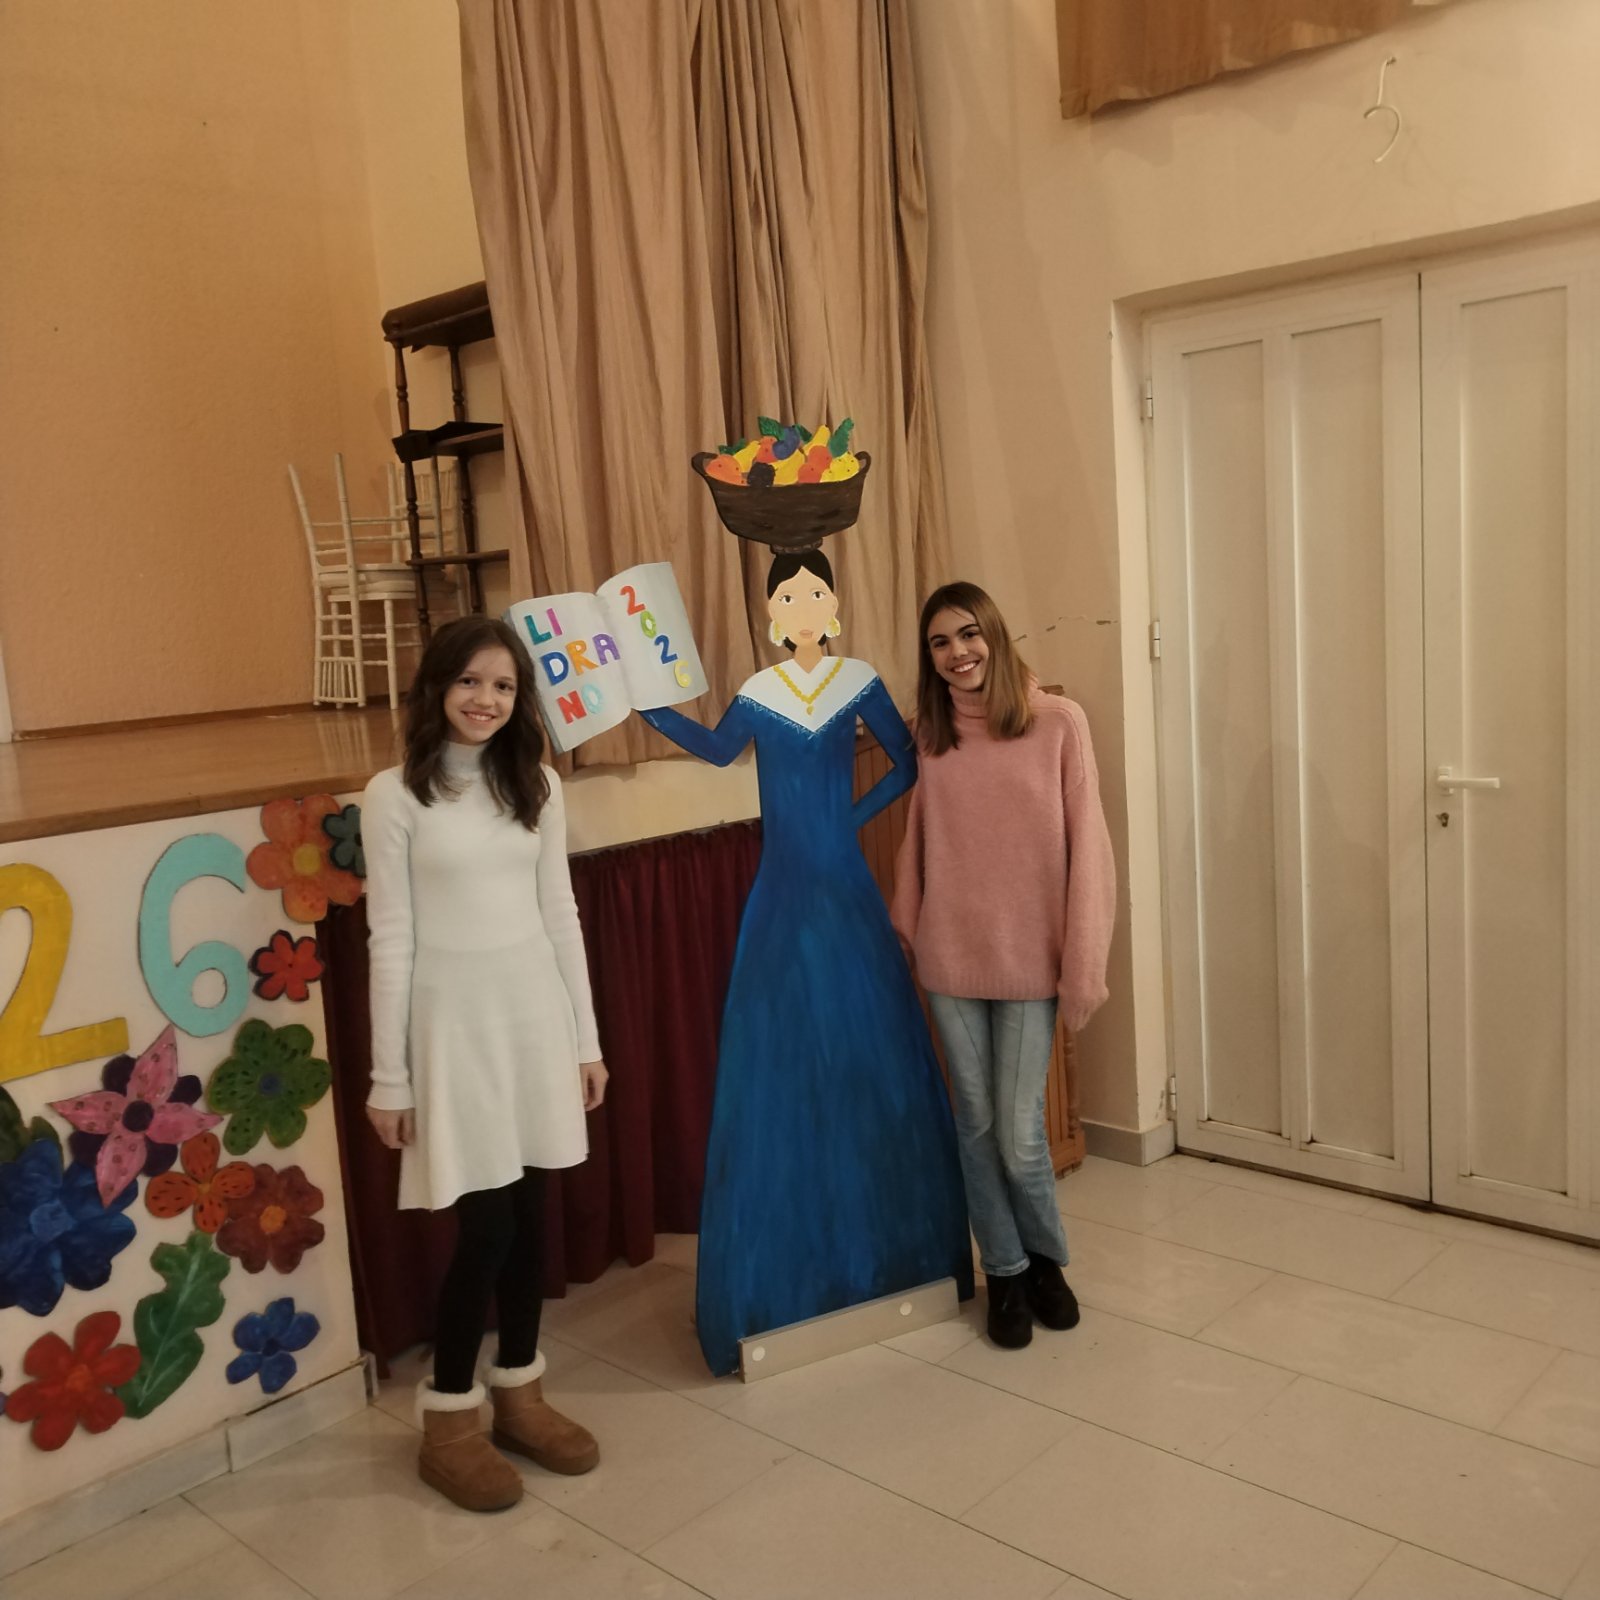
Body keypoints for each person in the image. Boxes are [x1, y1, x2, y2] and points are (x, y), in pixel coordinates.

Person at [639, 549, 974, 1375]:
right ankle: (784, 1280)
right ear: (771, 613)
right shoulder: (759, 690)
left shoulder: (858, 679)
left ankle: (894, 1256)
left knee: (871, 1055)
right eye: (788, 596)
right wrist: (649, 708)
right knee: (780, 1066)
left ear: (832, 604)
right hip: (781, 894)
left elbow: (905, 762)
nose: (801, 606)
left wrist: (845, 821)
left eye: (813, 593)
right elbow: (718, 749)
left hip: (844, 889)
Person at [362, 616, 608, 1513]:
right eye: (469, 681)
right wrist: (390, 1077)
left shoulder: (536, 784)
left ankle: (520, 1395)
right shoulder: (393, 795)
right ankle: (449, 1419)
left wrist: (585, 1041)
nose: (486, 700)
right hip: (454, 1032)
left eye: (503, 686)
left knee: (533, 1220)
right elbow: (391, 939)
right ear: (436, 687)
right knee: (488, 1230)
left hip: (534, 1021)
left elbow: (561, 916)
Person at [892, 582, 1116, 1350]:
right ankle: (1008, 1272)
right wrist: (907, 924)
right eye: (939, 642)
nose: (957, 653)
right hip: (952, 958)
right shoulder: (931, 736)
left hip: (1029, 963)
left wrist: (1083, 962)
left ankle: (1047, 1260)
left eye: (968, 634)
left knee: (1020, 1137)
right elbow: (920, 839)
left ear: (994, 633)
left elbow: (1089, 848)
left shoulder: (1059, 723)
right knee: (977, 1126)